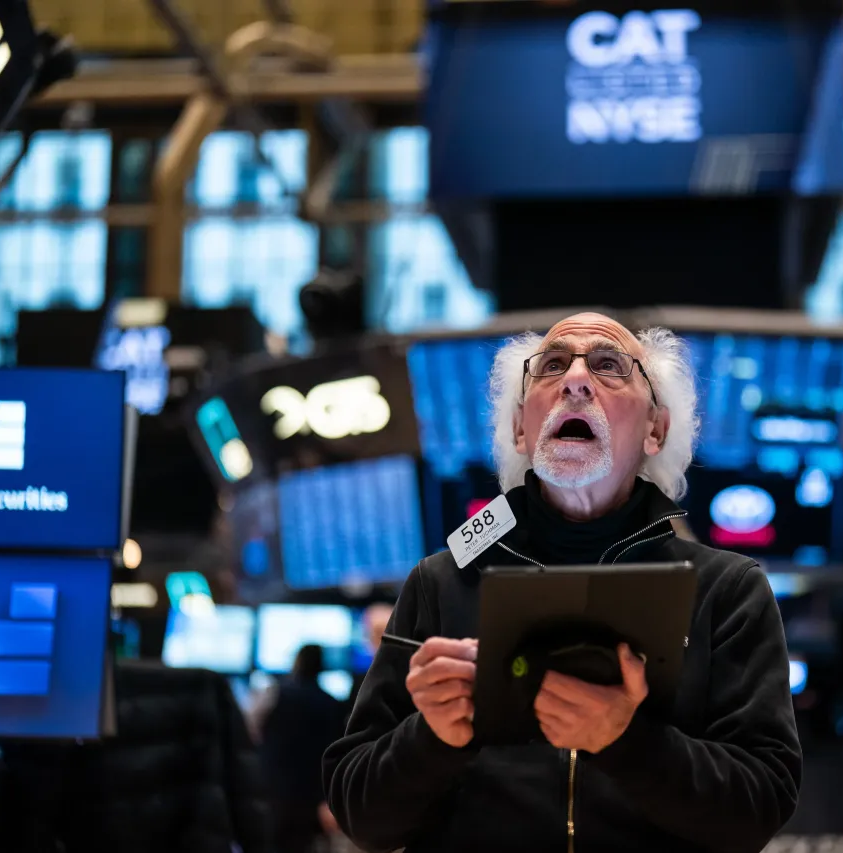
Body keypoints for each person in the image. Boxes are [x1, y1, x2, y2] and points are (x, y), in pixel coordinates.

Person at [323, 313, 802, 853]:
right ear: (520, 429)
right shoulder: (441, 581)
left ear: (656, 429)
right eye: (552, 366)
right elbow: (361, 816)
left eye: (608, 366)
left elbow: (760, 808)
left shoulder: (727, 591)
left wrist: (630, 742)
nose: (575, 380)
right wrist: (430, 737)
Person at [260, 645, 348, 853]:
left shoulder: (275, 693)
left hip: (272, 790)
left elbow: (253, 732)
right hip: (311, 796)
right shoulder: (332, 704)